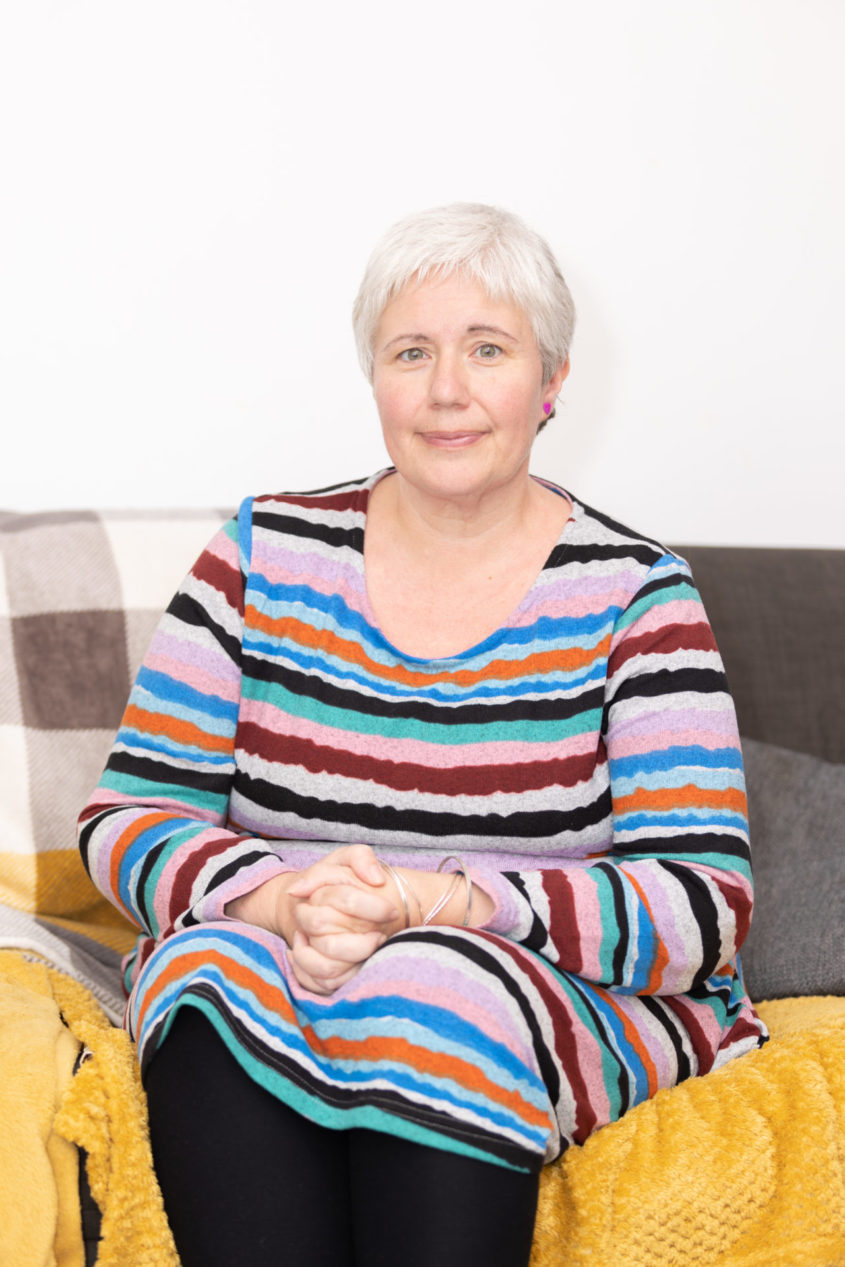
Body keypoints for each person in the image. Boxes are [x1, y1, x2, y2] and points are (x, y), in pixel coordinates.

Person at [78, 202, 766, 1267]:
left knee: (432, 980)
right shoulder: (262, 555)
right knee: (208, 970)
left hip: (525, 983)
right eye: (411, 352)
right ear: (375, 379)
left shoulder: (637, 594)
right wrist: (278, 895)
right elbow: (126, 819)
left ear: (549, 383)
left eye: (486, 349)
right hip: (279, 953)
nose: (446, 389)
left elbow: (699, 905)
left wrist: (442, 904)